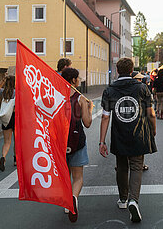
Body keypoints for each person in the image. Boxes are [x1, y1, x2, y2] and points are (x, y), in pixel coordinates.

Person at [99, 58, 157, 223]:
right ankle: (134, 200)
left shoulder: (110, 90)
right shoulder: (142, 88)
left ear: (117, 71)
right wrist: (153, 129)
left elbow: (105, 117)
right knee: (137, 166)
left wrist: (102, 141)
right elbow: (150, 113)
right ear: (132, 70)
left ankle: (123, 200)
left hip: (119, 135)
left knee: (122, 166)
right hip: (138, 134)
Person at [61, 67, 93, 223]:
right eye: (78, 78)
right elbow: (87, 123)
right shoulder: (80, 98)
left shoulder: (55, 96)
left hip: (60, 143)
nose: (79, 81)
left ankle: (67, 203)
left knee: (64, 175)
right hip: (77, 141)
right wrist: (90, 109)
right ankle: (73, 197)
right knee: (78, 177)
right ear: (73, 80)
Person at [0, 74, 16, 172]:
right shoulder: (17, 92)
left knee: (7, 142)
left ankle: (3, 157)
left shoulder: (4, 92)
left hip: (6, 119)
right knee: (16, 141)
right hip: (15, 118)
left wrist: (4, 79)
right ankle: (16, 159)